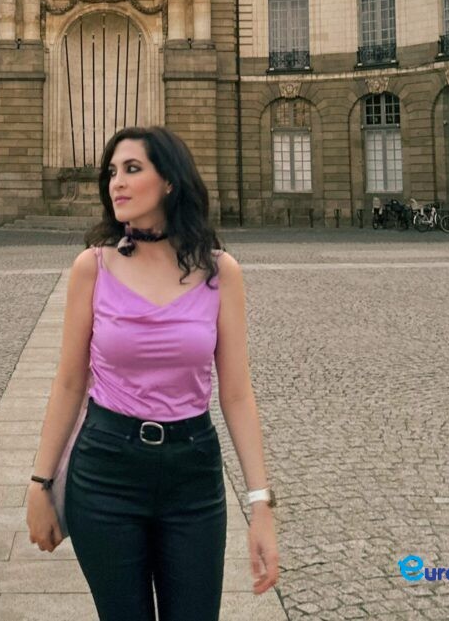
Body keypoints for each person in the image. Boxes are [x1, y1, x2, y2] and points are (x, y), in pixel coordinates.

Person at [26, 125, 279, 620]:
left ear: (169, 181)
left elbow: (237, 395)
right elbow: (70, 384)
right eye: (112, 172)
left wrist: (260, 504)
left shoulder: (220, 272)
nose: (116, 182)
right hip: (104, 471)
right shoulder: (91, 268)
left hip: (193, 474)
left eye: (132, 169)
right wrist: (40, 482)